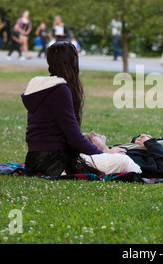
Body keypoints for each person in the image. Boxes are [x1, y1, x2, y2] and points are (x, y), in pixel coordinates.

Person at [21, 42, 125, 177]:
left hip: (33, 159)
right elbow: (74, 138)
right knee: (122, 162)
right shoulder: (59, 89)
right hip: (53, 161)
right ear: (72, 62)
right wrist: (105, 153)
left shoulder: (43, 88)